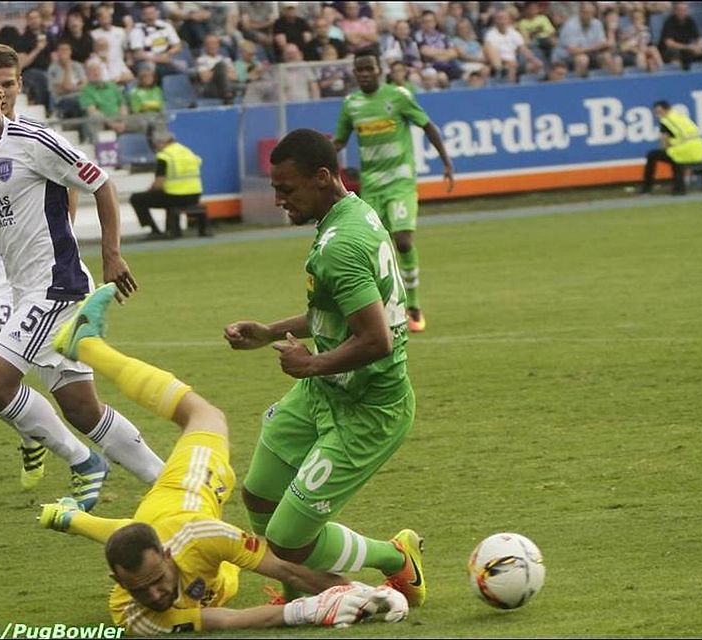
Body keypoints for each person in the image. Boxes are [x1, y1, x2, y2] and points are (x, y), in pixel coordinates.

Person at [39, 283, 412, 634]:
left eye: (156, 581)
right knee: (199, 545)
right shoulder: (133, 615)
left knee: (204, 417)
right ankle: (70, 515)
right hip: (179, 537)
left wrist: (356, 592)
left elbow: (288, 570)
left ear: (168, 557)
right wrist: (311, 610)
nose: (154, 595)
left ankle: (87, 345)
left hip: (187, 491)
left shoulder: (200, 538)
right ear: (119, 584)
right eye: (141, 589)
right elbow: (229, 620)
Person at [0, 50, 164, 510]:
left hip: (56, 287)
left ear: (1, 95)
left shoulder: (34, 141)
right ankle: (167, 481)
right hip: (25, 290)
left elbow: (101, 183)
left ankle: (85, 464)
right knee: (83, 409)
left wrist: (112, 255)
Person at [223, 129, 428, 609]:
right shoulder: (352, 212)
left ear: (321, 177)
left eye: (286, 189)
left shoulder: (340, 245)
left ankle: (396, 558)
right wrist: (272, 332)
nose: (277, 199)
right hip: (325, 392)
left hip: (368, 408)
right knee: (259, 495)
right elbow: (336, 313)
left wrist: (310, 363)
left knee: (289, 537)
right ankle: (299, 591)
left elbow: (375, 339)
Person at [334, 50, 454, 333]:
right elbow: (339, 141)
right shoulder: (351, 105)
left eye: (368, 68)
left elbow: (427, 126)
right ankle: (383, 309)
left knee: (402, 241)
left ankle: (414, 306)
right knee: (374, 250)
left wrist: (446, 162)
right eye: (359, 69)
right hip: (371, 187)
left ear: (380, 70)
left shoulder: (398, 96)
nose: (363, 73)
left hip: (400, 183)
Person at [129, 129, 203, 239]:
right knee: (165, 197)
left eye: (156, 144)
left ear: (161, 142)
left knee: (136, 199)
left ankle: (154, 230)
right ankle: (171, 229)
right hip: (195, 195)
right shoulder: (187, 152)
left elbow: (159, 184)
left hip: (175, 195)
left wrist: (149, 190)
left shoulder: (164, 156)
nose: (156, 147)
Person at [639, 100, 702, 196]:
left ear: (667, 110)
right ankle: (687, 186)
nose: (658, 115)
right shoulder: (681, 117)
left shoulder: (665, 121)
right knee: (674, 156)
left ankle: (646, 188)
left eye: (659, 112)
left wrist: (667, 147)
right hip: (701, 151)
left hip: (684, 152)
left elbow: (664, 142)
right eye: (656, 113)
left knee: (652, 155)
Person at [482, 10, 543, 83]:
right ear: (495, 21)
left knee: (536, 65)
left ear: (509, 20)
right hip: (500, 65)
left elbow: (524, 49)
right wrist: (508, 62)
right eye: (499, 18)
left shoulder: (514, 33)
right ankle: (511, 91)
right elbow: (490, 54)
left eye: (504, 18)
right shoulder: (490, 35)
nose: (502, 21)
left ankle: (535, 89)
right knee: (511, 67)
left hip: (515, 62)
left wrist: (535, 61)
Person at [659, 1, 702, 70]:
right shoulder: (669, 22)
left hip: (687, 50)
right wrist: (689, 47)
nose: (682, 12)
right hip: (673, 51)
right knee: (673, 53)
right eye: (680, 10)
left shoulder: (690, 21)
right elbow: (669, 43)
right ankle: (676, 75)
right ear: (675, 11)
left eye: (684, 10)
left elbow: (700, 39)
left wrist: (699, 47)